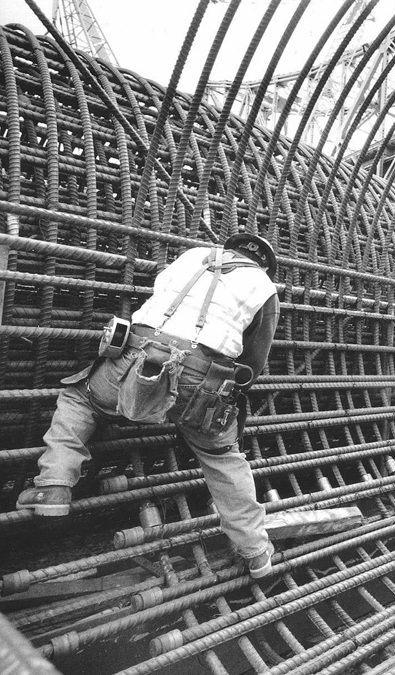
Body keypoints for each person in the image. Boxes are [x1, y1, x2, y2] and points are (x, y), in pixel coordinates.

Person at [17, 233, 282, 579]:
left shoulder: (192, 256)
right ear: (264, 265)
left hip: (136, 356)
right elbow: (253, 364)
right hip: (202, 379)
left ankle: (52, 486)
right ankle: (256, 552)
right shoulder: (264, 288)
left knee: (80, 398)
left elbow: (160, 299)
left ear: (230, 248)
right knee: (222, 457)